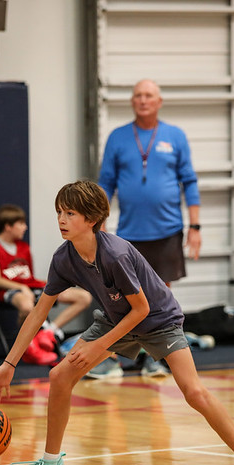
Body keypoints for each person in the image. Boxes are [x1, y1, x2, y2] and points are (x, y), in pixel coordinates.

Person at [0, 181, 234, 465]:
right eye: (59, 212)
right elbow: (38, 313)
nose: (61, 220)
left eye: (70, 213)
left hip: (159, 320)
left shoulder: (116, 254)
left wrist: (98, 346)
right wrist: (9, 364)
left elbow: (141, 309)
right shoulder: (64, 258)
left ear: (91, 219)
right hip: (115, 320)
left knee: (194, 393)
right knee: (59, 377)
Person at [98, 79, 201, 377]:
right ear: (132, 101)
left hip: (167, 230)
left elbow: (189, 181)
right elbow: (105, 184)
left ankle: (157, 358)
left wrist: (195, 225)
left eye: (148, 95)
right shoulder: (118, 137)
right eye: (138, 95)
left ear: (159, 102)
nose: (143, 100)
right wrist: (99, 226)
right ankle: (114, 357)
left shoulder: (175, 135)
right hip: (130, 234)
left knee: (161, 296)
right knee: (124, 298)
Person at [0, 204, 92, 366]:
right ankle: (29, 345)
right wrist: (21, 288)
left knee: (83, 297)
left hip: (30, 287)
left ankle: (49, 332)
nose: (25, 227)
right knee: (27, 305)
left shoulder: (24, 247)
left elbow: (29, 277)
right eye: (21, 223)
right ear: (8, 226)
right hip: (9, 290)